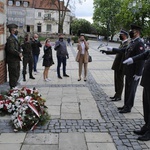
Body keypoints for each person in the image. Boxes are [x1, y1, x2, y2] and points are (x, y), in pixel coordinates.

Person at [102, 24, 145, 113]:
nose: (130, 32)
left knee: (131, 90)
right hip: (128, 70)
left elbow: (141, 59)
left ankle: (128, 107)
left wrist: (138, 73)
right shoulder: (133, 42)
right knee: (127, 89)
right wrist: (113, 49)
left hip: (134, 71)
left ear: (137, 32)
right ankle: (126, 105)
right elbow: (124, 50)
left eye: (132, 31)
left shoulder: (139, 43)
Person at [123, 50, 150, 141]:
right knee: (146, 107)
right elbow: (145, 54)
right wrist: (132, 59)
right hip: (147, 82)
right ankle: (146, 126)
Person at [101, 30, 129, 101]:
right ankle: (116, 94)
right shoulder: (122, 43)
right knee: (116, 80)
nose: (120, 36)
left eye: (121, 35)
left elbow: (121, 51)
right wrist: (106, 52)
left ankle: (119, 95)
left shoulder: (127, 43)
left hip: (121, 65)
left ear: (125, 35)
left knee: (120, 80)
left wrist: (112, 49)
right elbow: (117, 51)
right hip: (117, 64)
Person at [5, 24, 22, 89]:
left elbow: (18, 47)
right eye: (15, 29)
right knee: (13, 74)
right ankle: (12, 88)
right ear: (12, 31)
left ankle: (14, 87)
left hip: (16, 59)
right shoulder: (10, 39)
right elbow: (11, 49)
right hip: (12, 60)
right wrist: (18, 53)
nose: (16, 30)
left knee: (17, 73)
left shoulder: (15, 38)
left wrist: (20, 52)